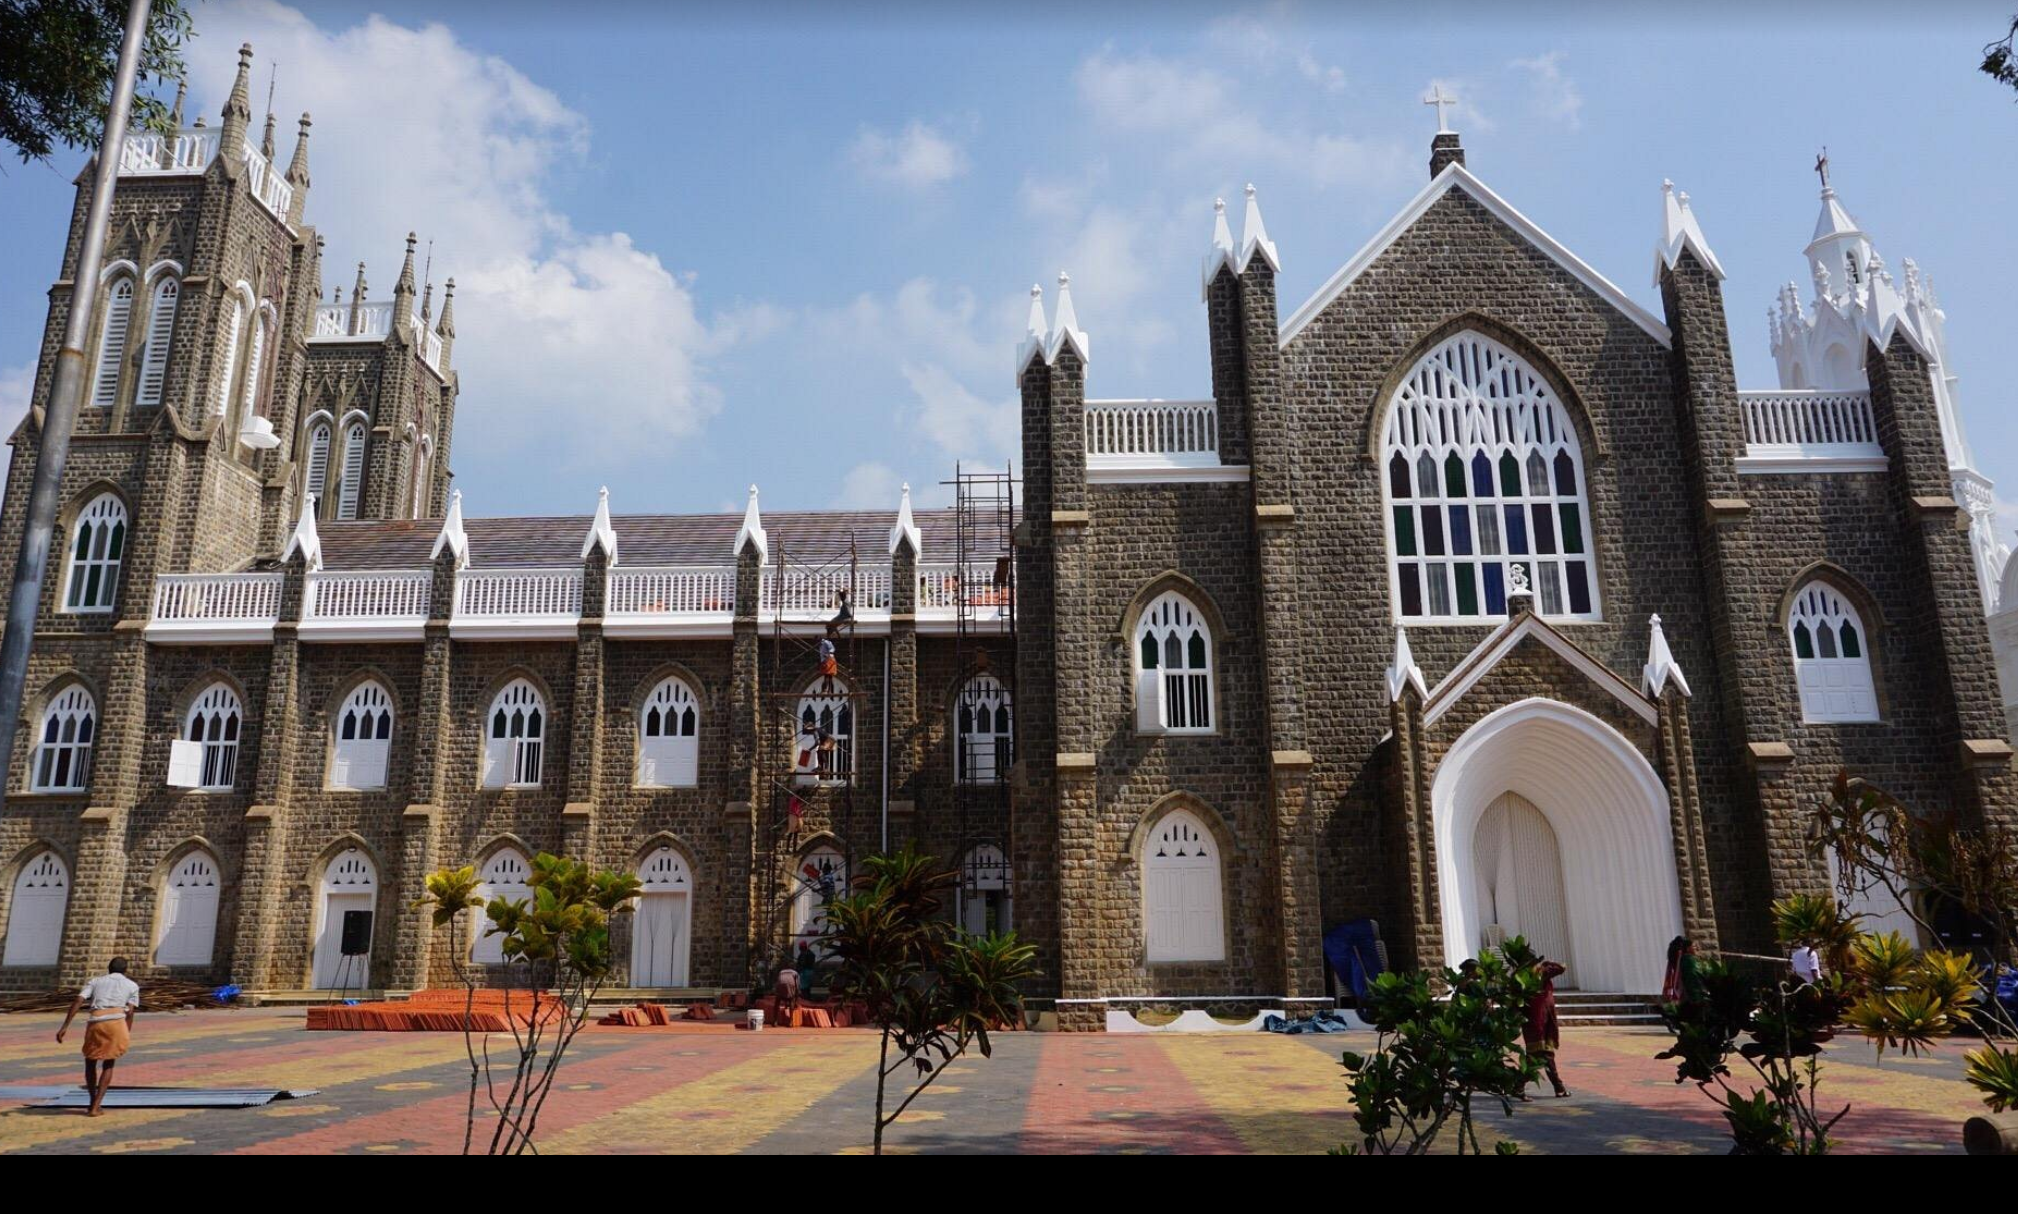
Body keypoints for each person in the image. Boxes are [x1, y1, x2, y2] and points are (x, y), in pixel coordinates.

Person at [55, 958, 140, 1117]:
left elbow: (78, 1000)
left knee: (90, 1060)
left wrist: (65, 1026)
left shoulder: (96, 981)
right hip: (117, 1022)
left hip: (96, 1021)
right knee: (109, 1063)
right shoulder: (132, 985)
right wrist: (127, 1032)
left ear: (108, 968)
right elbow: (130, 1011)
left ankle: (92, 1101)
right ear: (126, 970)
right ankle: (96, 1106)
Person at [1521, 958, 1571, 1099]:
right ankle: (1558, 1088)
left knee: (1537, 1058)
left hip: (1536, 1023)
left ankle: (1558, 1087)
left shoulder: (1522, 977)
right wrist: (1547, 962)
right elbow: (1561, 967)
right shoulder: (1540, 972)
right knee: (1542, 1057)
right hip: (1540, 1024)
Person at [816, 623, 840, 690]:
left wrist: (828, 654)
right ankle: (829, 691)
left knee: (827, 676)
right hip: (825, 661)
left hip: (829, 660)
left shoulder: (826, 642)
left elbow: (832, 649)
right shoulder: (820, 645)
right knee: (829, 677)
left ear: (820, 640)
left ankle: (824, 690)